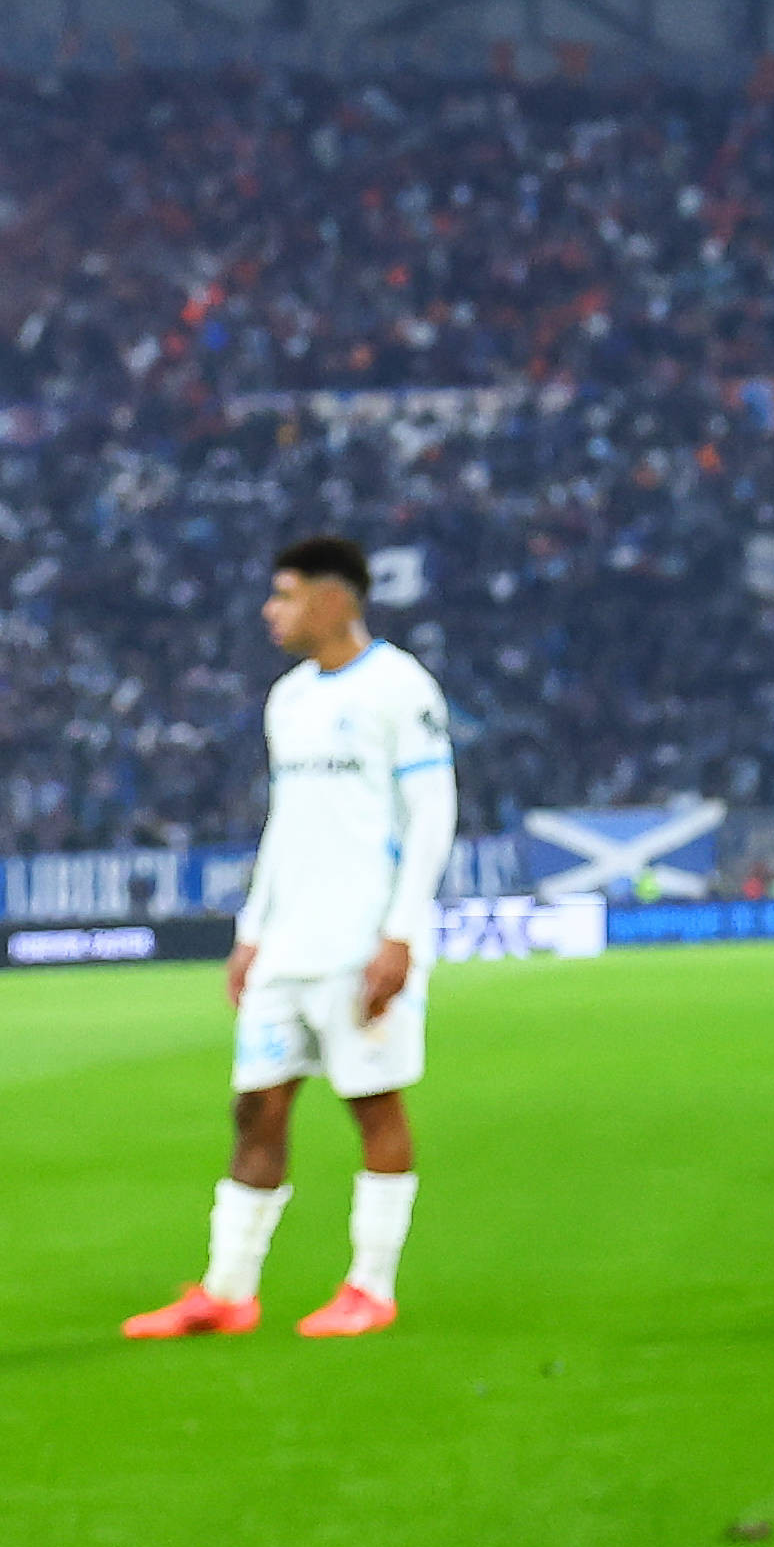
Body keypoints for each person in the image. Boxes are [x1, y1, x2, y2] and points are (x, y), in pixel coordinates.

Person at [124, 534, 448, 1341]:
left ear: (334, 599)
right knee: (256, 1107)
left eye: (286, 595)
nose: (272, 611)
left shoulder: (399, 687)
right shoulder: (289, 698)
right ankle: (228, 1292)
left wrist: (400, 934)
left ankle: (370, 1287)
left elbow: (432, 814)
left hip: (362, 941)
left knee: (373, 1104)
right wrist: (251, 931)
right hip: (289, 945)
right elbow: (286, 822)